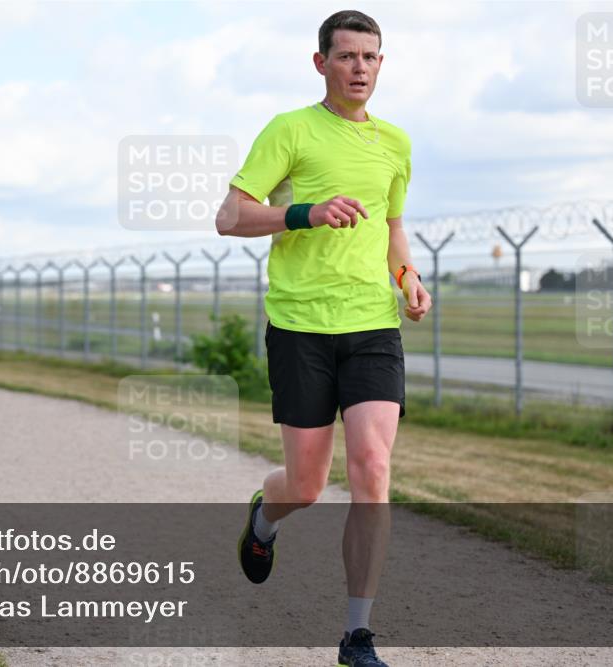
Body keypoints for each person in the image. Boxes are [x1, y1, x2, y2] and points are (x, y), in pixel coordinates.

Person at [216, 11, 431, 667]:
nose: (360, 67)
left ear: (381, 64)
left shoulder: (396, 142)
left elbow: (392, 229)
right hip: (301, 326)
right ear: (321, 64)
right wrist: (305, 212)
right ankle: (263, 519)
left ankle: (357, 634)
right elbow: (231, 216)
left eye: (371, 56)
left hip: (372, 325)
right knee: (306, 485)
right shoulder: (291, 130)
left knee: (372, 470)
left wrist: (408, 278)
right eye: (347, 56)